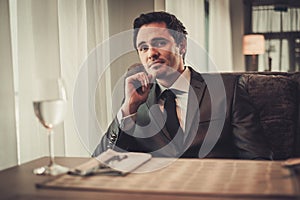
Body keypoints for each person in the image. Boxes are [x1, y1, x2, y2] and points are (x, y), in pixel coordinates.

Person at [93, 11, 273, 159]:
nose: (151, 53)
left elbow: (257, 160)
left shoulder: (228, 90)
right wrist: (128, 108)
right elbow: (102, 161)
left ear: (182, 45)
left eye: (159, 43)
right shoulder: (135, 101)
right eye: (143, 48)